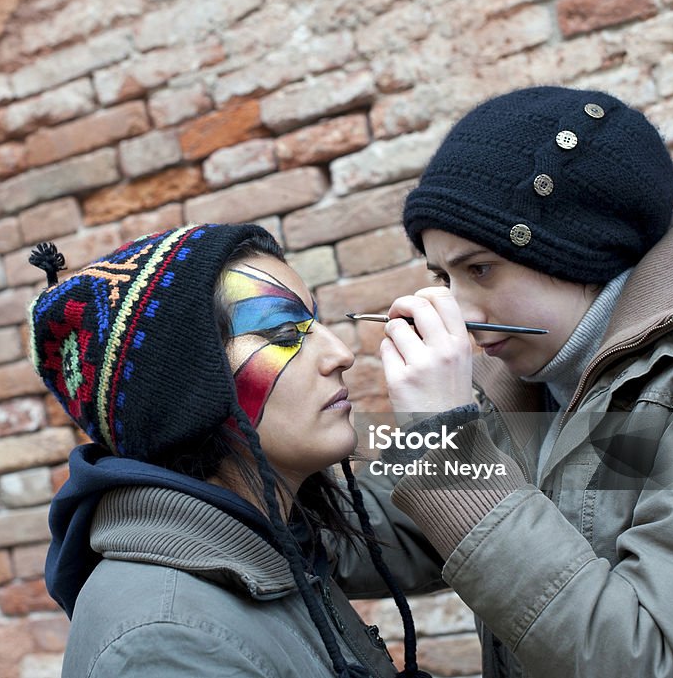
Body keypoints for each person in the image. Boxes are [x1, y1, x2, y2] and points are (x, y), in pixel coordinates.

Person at [379, 85, 673, 677]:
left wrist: (444, 444)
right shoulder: (504, 384)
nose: (462, 311)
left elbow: (652, 660)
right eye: (443, 276)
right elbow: (372, 535)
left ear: (581, 252)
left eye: (480, 268)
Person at [26, 224, 435, 678]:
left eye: (315, 323)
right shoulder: (166, 641)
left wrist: (480, 398)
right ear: (186, 395)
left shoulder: (276, 540)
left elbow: (431, 513)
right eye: (284, 333)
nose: (340, 354)